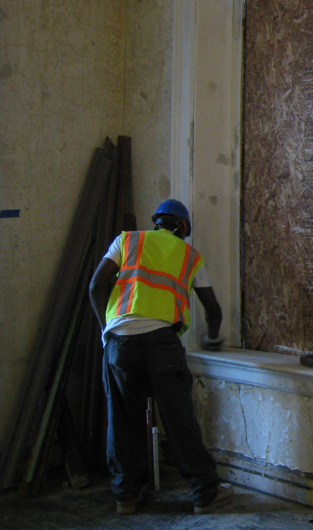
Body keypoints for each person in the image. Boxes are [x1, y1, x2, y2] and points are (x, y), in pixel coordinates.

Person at [88, 198, 233, 515]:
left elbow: (97, 285)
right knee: (179, 419)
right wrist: (211, 338)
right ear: (182, 228)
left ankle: (126, 495)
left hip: (119, 344)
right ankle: (205, 493)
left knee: (123, 420)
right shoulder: (189, 256)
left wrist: (106, 332)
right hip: (161, 346)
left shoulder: (126, 240)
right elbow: (213, 310)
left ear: (157, 222)